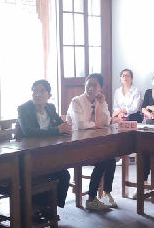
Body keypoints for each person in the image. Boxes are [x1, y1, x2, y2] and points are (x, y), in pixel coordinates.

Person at [18, 79, 72, 209]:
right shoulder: (24, 109)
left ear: (49, 95)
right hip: (29, 156)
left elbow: (60, 125)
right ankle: (41, 207)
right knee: (45, 176)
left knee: (64, 175)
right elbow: (29, 132)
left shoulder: (50, 108)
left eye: (42, 91)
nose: (37, 94)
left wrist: (65, 127)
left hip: (47, 155)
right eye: (35, 91)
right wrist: (57, 130)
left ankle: (51, 208)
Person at [67, 73, 116, 210]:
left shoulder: (99, 101)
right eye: (88, 85)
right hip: (76, 146)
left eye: (94, 85)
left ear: (100, 88)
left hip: (92, 144)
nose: (90, 88)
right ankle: (91, 199)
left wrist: (103, 103)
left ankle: (106, 193)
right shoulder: (77, 101)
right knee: (102, 160)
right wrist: (96, 124)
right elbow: (80, 124)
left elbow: (106, 122)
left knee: (111, 159)